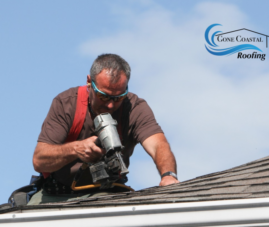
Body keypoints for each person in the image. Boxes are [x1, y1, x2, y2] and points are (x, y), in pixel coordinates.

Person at [29, 54, 179, 204]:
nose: (111, 105)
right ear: (89, 82)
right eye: (104, 96)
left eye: (119, 97)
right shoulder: (66, 104)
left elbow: (158, 145)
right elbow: (39, 160)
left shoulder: (135, 108)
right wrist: (75, 149)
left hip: (108, 192)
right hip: (58, 194)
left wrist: (168, 175)